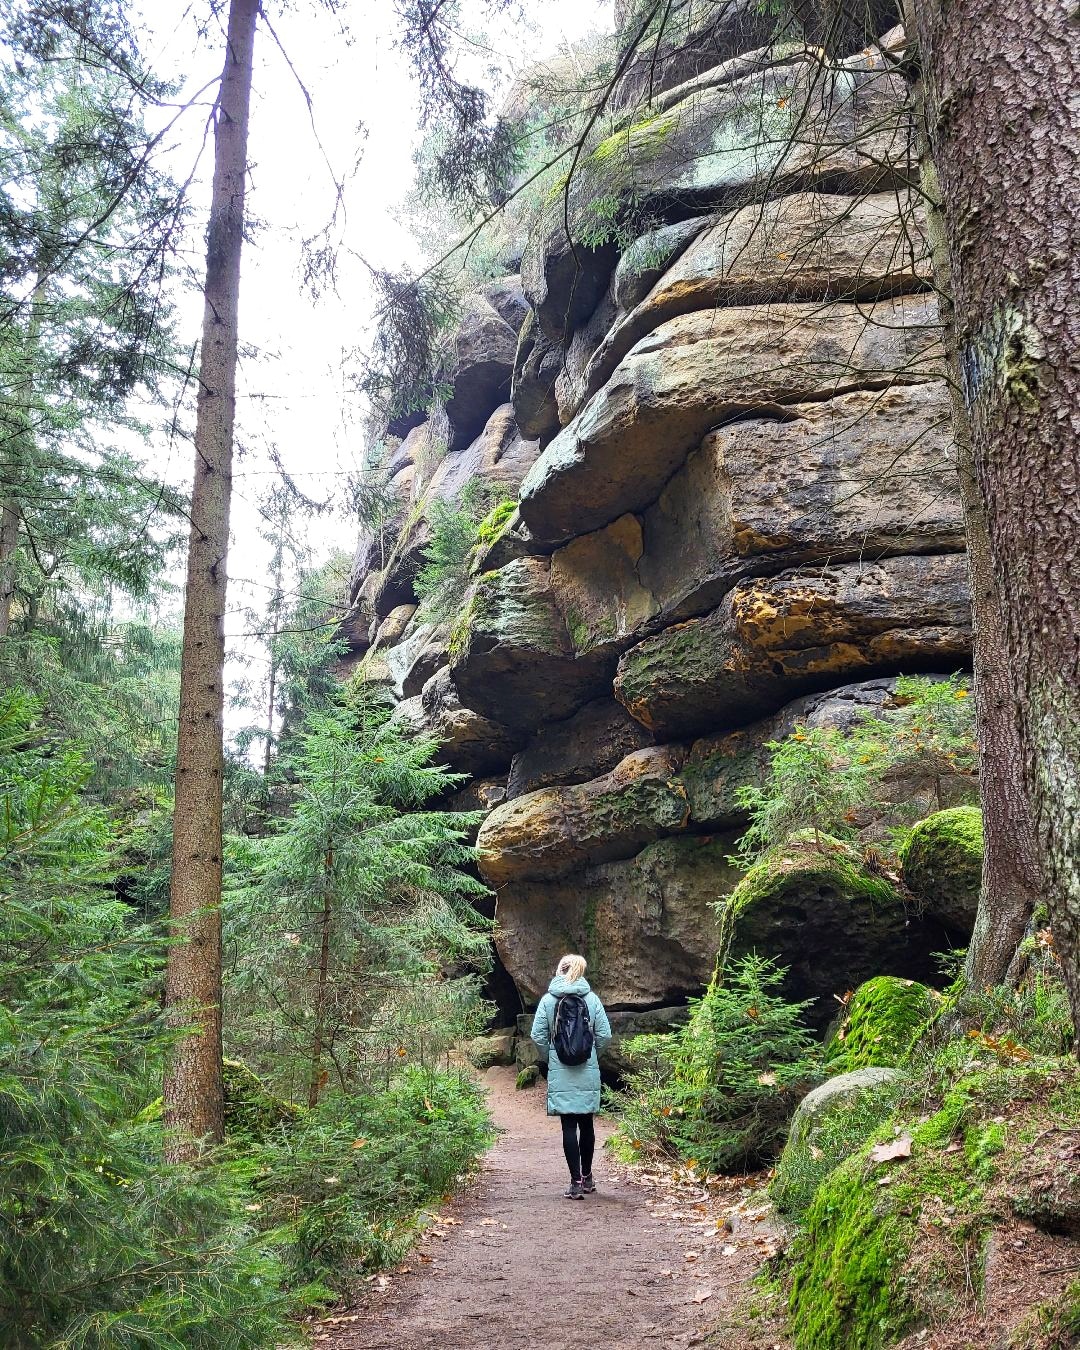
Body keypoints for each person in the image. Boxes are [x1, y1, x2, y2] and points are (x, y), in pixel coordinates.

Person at [530, 953, 612, 1200]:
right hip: (587, 1067)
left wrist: (551, 1056)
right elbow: (605, 1035)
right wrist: (591, 1053)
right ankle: (587, 1178)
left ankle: (575, 1183)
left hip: (560, 1069)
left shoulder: (548, 1001)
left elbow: (537, 1036)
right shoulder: (592, 999)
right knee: (587, 1123)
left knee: (568, 1125)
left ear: (559, 970)